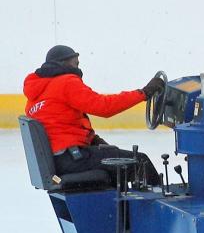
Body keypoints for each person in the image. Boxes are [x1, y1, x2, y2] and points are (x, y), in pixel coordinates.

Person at [23, 45, 164, 186]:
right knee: (140, 163)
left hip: (59, 161)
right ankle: (156, 204)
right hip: (73, 158)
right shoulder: (66, 82)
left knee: (117, 161)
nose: (78, 68)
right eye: (75, 64)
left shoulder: (35, 95)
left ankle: (122, 206)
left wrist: (93, 140)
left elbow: (61, 122)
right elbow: (104, 107)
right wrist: (143, 93)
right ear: (63, 63)